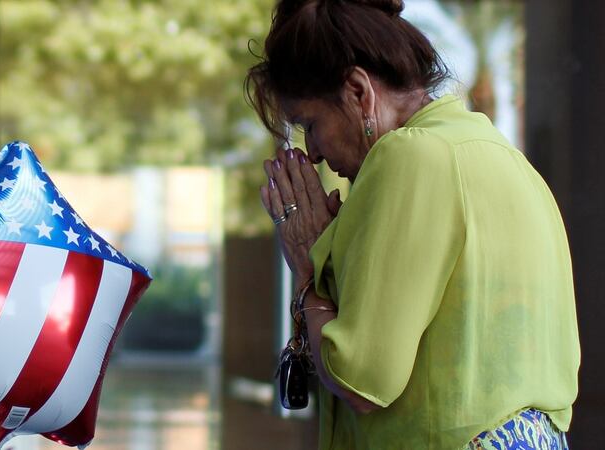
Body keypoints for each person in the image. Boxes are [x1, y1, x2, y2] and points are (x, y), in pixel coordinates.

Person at [246, 0, 580, 449]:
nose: (316, 154)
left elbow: (362, 378)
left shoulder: (408, 155)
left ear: (359, 92)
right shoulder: (507, 160)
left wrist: (309, 273)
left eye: (311, 123)